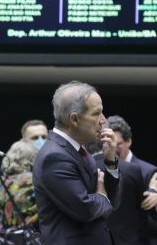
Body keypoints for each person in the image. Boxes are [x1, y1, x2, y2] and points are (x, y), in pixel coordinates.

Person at [33, 81, 121, 244]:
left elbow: (112, 204)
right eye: (97, 113)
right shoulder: (54, 157)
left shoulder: (78, 150)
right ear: (74, 119)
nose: (103, 120)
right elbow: (85, 209)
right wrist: (102, 196)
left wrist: (109, 161)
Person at [104, 115, 157, 245]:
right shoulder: (100, 167)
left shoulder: (148, 171)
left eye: (118, 143)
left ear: (129, 141)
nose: (113, 147)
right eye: (109, 143)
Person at [0, 139, 40, 236]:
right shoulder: (33, 181)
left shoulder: (2, 182)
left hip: (6, 238)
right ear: (33, 157)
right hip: (28, 238)